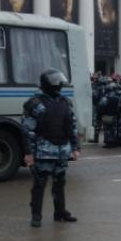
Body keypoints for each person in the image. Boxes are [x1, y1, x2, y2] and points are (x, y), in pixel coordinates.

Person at [22, 69, 81, 227]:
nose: (59, 85)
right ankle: (36, 216)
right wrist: (28, 153)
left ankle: (60, 213)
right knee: (39, 184)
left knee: (60, 183)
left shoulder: (65, 102)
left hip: (62, 150)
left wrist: (75, 147)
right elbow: (28, 131)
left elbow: (71, 127)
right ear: (47, 84)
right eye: (56, 82)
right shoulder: (35, 104)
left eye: (59, 82)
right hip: (44, 151)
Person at [99, 82, 121, 148]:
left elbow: (101, 106)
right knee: (113, 129)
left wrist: (101, 114)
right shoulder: (117, 97)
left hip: (107, 115)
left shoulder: (105, 97)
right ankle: (114, 142)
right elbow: (120, 107)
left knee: (107, 129)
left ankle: (109, 143)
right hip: (114, 115)